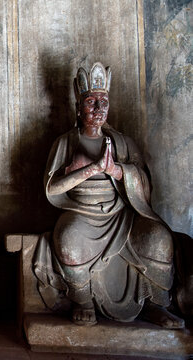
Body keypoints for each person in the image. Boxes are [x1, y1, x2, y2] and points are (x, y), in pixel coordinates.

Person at [33, 63, 184, 328]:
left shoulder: (122, 142)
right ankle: (84, 302)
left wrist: (116, 170)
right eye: (91, 101)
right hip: (82, 215)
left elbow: (145, 186)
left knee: (158, 238)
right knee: (68, 240)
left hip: (121, 215)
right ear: (79, 108)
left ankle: (156, 305)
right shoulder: (66, 142)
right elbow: (52, 188)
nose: (98, 108)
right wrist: (89, 170)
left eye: (103, 101)